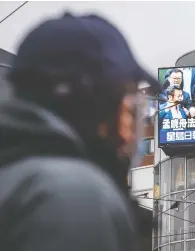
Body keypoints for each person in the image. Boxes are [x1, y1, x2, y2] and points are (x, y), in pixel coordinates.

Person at [0, 13, 160, 251]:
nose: (130, 138)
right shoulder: (75, 194)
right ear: (101, 104)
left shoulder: (14, 172)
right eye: (130, 110)